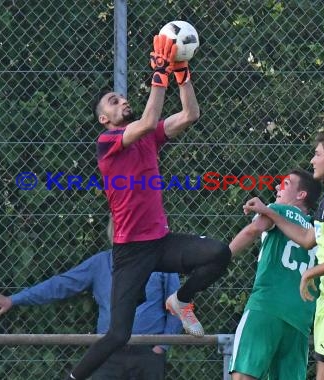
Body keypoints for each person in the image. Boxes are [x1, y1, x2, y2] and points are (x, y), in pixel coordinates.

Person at [64, 34, 231, 380]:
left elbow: (190, 114)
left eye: (122, 97)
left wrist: (181, 73)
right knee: (118, 334)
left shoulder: (148, 137)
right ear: (104, 120)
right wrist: (159, 74)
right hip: (130, 252)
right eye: (114, 101)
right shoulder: (107, 142)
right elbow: (145, 120)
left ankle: (181, 300)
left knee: (219, 254)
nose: (122, 101)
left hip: (160, 243)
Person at [244, 130, 324, 380]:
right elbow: (306, 238)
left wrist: (309, 274)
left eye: (317, 154)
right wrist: (268, 212)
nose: (312, 160)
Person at [0, 218, 183, 380]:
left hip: (147, 354)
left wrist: (161, 347)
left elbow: (176, 304)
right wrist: (14, 299)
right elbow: (60, 285)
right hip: (108, 353)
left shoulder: (161, 263)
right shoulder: (100, 263)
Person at [228, 169, 322, 380]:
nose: (278, 187)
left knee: (244, 375)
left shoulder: (277, 210)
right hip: (301, 316)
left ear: (301, 195)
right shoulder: (317, 230)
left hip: (267, 306)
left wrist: (222, 256)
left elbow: (253, 230)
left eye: (286, 184)